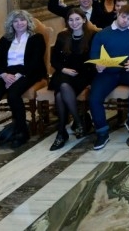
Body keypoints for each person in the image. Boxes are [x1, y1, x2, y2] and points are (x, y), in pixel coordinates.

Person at [0, 10, 47, 151]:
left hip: (28, 72)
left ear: (27, 22)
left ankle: (22, 131)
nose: (19, 23)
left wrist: (17, 75)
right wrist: (4, 74)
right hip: (5, 73)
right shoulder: (5, 39)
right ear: (11, 24)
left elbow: (35, 62)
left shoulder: (36, 38)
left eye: (22, 20)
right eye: (15, 21)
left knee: (13, 95)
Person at [88, 5, 129, 151]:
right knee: (94, 98)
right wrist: (98, 64)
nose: (125, 21)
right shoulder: (102, 34)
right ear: (117, 14)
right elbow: (94, 53)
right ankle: (102, 132)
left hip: (128, 69)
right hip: (107, 72)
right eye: (123, 16)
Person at [48, 8, 96, 150]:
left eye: (77, 19)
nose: (74, 23)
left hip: (83, 74)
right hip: (63, 73)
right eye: (71, 20)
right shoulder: (63, 36)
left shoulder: (92, 35)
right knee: (62, 87)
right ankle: (78, 121)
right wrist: (64, 69)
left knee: (59, 94)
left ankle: (62, 132)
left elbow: (94, 59)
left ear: (84, 20)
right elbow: (54, 60)